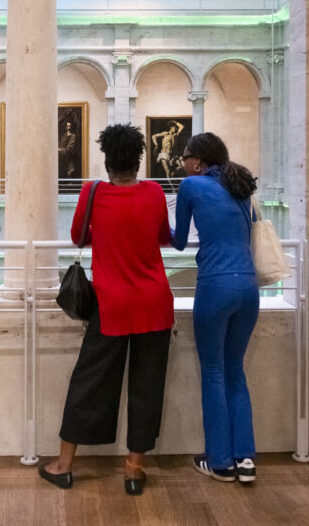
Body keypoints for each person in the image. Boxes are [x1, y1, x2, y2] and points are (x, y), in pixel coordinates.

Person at [40, 123, 174, 496]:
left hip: (111, 305)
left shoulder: (92, 191)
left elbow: (78, 237)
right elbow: (163, 236)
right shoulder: (154, 192)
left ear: (106, 160)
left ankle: (64, 466)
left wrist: (108, 234)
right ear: (139, 158)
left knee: (89, 382)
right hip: (154, 304)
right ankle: (133, 470)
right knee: (147, 386)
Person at [170, 131, 259, 483]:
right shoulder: (240, 184)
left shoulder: (192, 186)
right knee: (235, 370)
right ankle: (245, 460)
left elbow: (177, 242)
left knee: (214, 372)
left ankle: (220, 461)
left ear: (197, 161)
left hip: (216, 285)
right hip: (248, 286)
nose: (184, 166)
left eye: (185, 159)